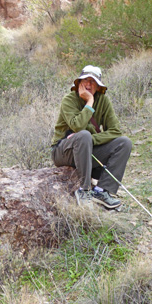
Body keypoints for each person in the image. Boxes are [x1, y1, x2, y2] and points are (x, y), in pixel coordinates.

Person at [51, 65, 132, 209]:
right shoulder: (69, 100)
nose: (89, 84)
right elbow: (77, 126)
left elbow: (115, 131)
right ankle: (84, 190)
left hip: (87, 148)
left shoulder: (104, 101)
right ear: (79, 83)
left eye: (93, 81)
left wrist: (92, 140)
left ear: (98, 86)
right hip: (63, 151)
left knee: (124, 143)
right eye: (85, 80)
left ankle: (102, 192)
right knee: (83, 135)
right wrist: (89, 102)